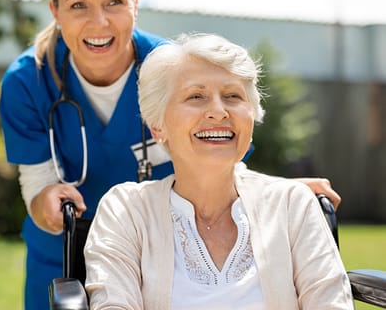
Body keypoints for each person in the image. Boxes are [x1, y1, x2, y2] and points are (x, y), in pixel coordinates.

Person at [0, 0, 342, 310]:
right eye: (78, 6)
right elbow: (36, 182)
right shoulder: (27, 82)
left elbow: (221, 147)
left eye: (115, 2)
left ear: (135, 4)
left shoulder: (174, 71)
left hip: (160, 242)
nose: (99, 21)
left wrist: (278, 198)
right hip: (64, 248)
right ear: (56, 11)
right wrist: (46, 202)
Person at [84, 33, 353, 309]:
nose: (218, 111)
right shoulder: (125, 211)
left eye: (232, 96)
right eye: (196, 96)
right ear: (157, 126)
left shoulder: (291, 204)